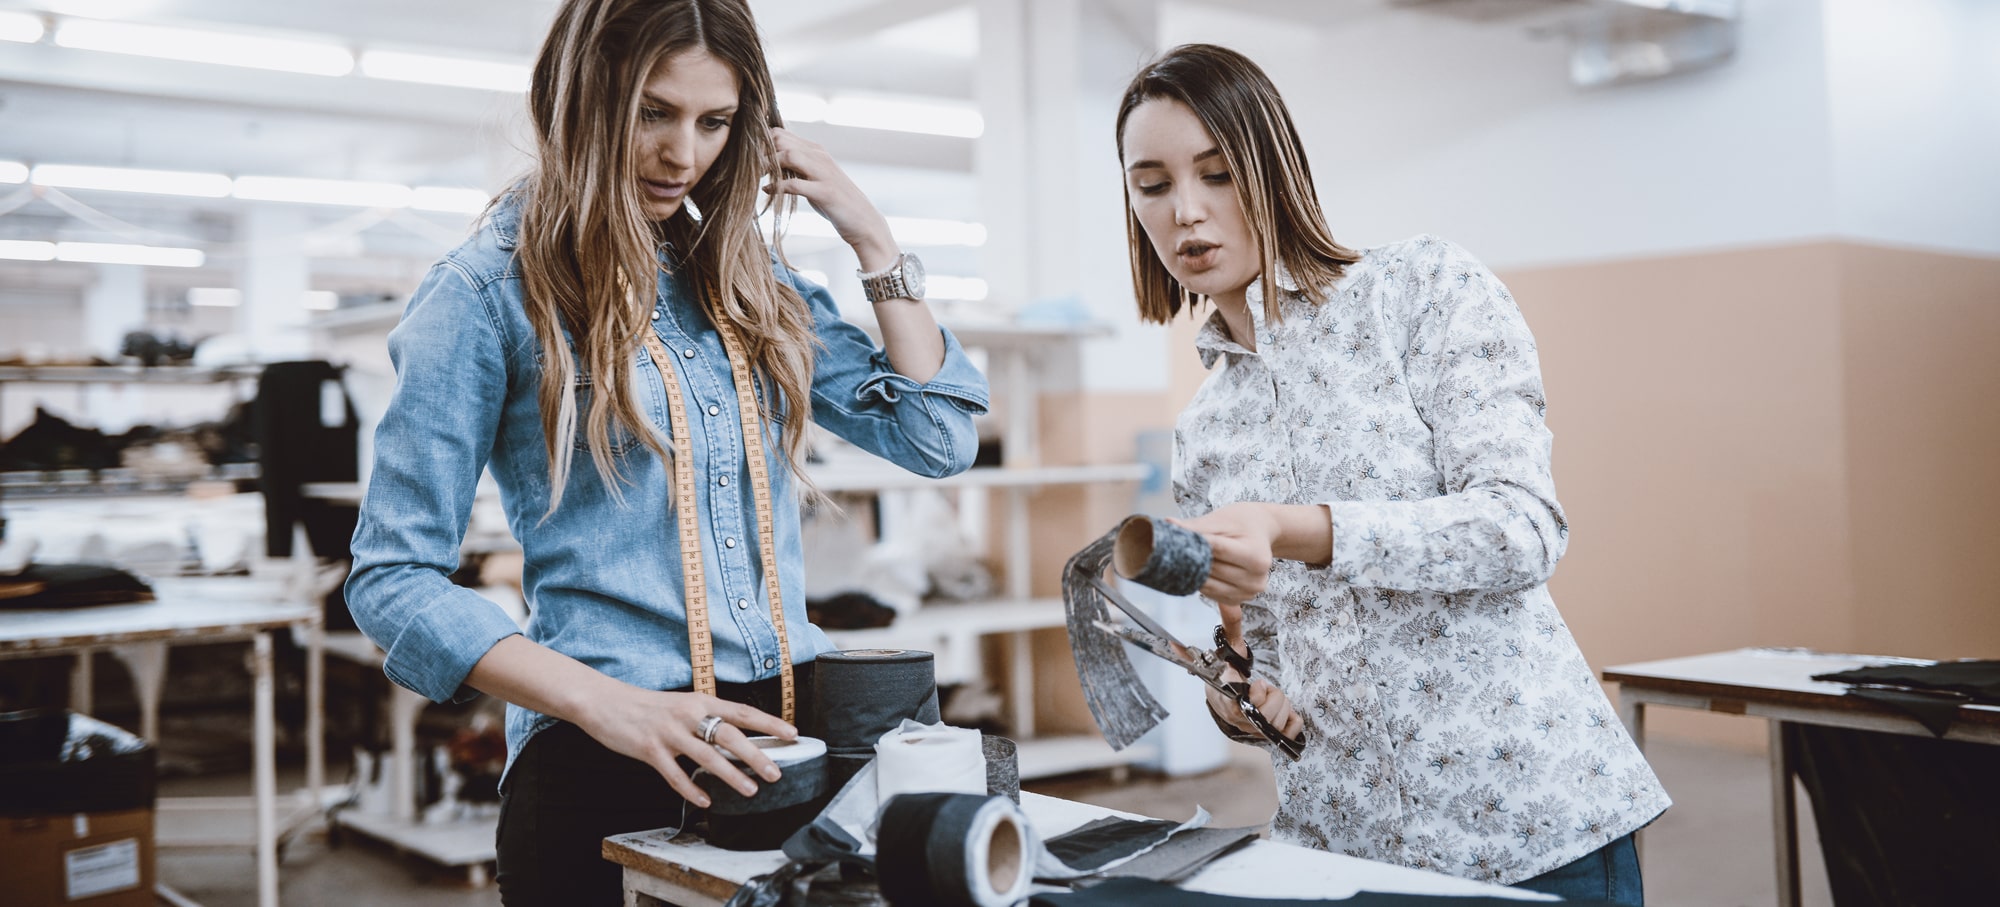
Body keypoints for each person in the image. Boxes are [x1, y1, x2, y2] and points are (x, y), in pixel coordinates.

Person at [343, 1, 989, 903]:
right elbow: (391, 578)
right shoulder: (484, 295)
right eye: (653, 111)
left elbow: (937, 436)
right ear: (581, 99)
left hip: (785, 751)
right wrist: (612, 704)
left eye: (714, 122)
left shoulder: (744, 280)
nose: (683, 155)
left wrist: (866, 231)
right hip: (602, 754)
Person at [1114, 44, 1668, 904]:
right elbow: (1259, 649)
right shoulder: (1204, 432)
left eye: (1217, 173)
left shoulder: (1423, 291)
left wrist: (1297, 527)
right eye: (1152, 185)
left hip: (1527, 818)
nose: (1187, 212)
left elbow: (1520, 527)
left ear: (1274, 167)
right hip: (1341, 849)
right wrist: (1240, 692)